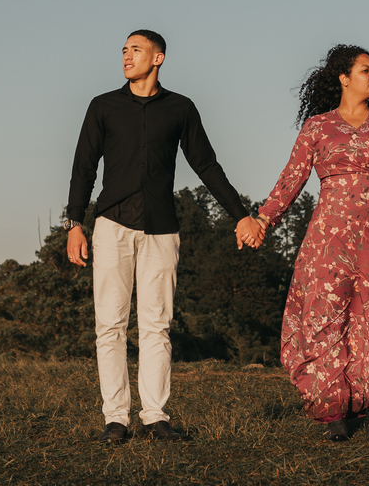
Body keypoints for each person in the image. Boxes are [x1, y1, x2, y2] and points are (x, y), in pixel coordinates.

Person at [64, 30, 265, 443]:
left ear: (158, 58)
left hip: (162, 229)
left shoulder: (181, 108)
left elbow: (206, 165)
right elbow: (83, 166)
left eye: (135, 50)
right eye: (123, 50)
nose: (126, 56)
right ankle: (115, 419)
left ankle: (156, 417)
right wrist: (74, 224)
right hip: (112, 226)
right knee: (110, 326)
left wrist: (241, 215)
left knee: (157, 326)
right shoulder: (103, 106)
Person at [254, 44, 369, 442]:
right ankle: (332, 411)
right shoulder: (317, 127)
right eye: (366, 70)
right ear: (344, 78)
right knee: (324, 318)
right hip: (328, 236)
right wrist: (263, 218)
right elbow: (292, 177)